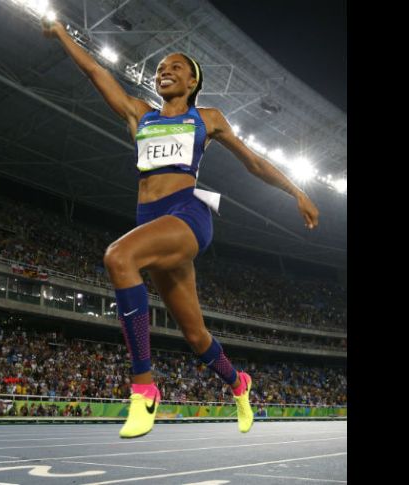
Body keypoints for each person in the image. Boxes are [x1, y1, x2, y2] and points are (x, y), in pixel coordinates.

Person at [42, 19, 318, 439]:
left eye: (174, 67)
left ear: (192, 81)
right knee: (194, 334)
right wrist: (62, 33)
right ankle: (238, 384)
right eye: (159, 68)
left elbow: (255, 162)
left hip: (187, 214)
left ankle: (144, 388)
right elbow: (96, 72)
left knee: (118, 256)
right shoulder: (140, 113)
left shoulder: (206, 118)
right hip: (150, 222)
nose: (163, 71)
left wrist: (296, 191)